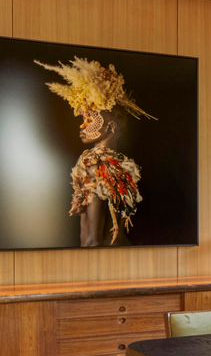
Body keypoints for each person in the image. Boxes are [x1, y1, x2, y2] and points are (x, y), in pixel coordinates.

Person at [36, 57, 156, 246]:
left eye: (91, 120)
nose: (83, 125)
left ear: (111, 127)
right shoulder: (114, 164)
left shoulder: (97, 165)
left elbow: (92, 239)